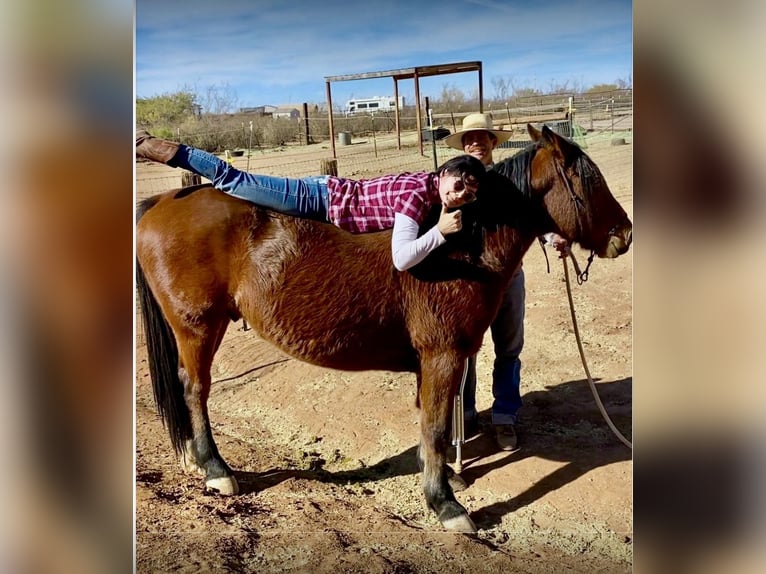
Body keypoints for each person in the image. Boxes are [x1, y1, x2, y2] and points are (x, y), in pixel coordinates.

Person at [136, 131, 484, 271]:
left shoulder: (425, 182)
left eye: (469, 193)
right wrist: (439, 231)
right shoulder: (417, 197)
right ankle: (156, 148)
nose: (461, 194)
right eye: (459, 183)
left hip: (328, 190)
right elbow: (401, 258)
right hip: (318, 198)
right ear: (445, 172)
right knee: (233, 179)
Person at [444, 113, 569, 451]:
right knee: (463, 353)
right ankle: (466, 415)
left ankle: (504, 416)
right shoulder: (454, 182)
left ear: (493, 141)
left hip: (509, 280)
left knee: (509, 348)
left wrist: (551, 237)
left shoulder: (515, 181)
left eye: (482, 137)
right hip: (468, 283)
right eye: (469, 138)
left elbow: (534, 218)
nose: (475, 142)